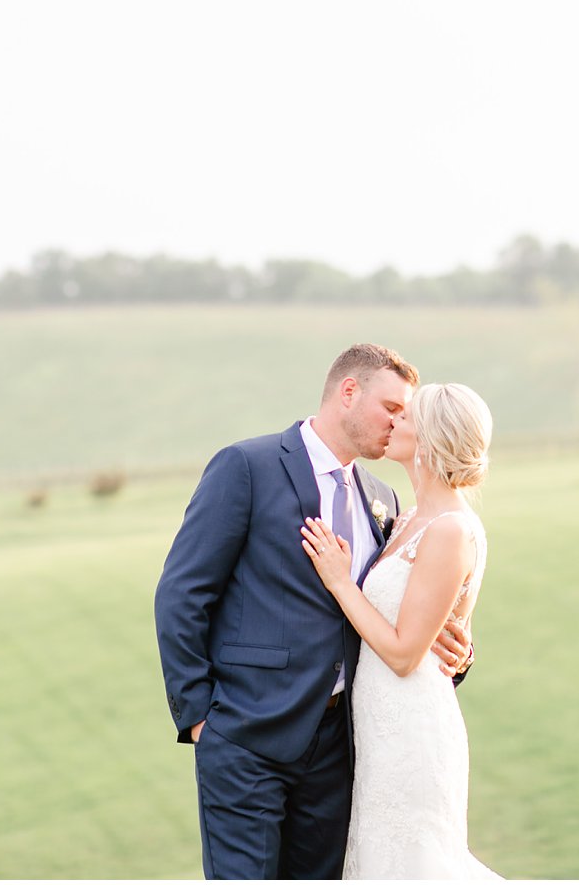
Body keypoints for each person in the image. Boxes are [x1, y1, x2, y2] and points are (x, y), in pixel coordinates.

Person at [155, 344, 475, 880]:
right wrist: (199, 719)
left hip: (342, 751)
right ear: (349, 392)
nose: (398, 424)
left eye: (407, 415)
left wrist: (458, 650)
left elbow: (404, 613)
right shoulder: (248, 466)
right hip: (246, 738)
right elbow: (182, 592)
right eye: (392, 408)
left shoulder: (385, 502)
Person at [300, 381, 499, 879]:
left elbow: (406, 654)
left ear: (430, 438)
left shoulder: (451, 529)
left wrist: (341, 582)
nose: (393, 422)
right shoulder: (408, 517)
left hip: (412, 731)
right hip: (378, 731)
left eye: (405, 417)